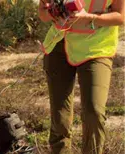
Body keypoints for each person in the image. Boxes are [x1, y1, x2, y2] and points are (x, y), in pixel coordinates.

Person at [38, 0, 124, 153]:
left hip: (97, 49)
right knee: (60, 117)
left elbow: (120, 16)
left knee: (94, 111)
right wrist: (54, 13)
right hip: (59, 46)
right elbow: (43, 15)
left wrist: (89, 17)